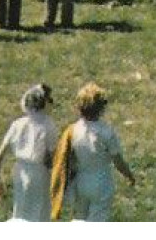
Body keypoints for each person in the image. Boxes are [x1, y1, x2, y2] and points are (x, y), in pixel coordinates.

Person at [51, 83, 136, 221]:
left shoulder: (73, 130)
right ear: (101, 108)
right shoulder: (106, 132)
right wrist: (129, 175)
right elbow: (117, 160)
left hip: (81, 180)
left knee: (79, 218)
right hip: (101, 180)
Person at [0, 84, 58, 221]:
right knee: (39, 214)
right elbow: (51, 157)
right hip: (39, 173)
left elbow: (0, 155)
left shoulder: (17, 124)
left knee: (20, 210)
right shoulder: (48, 125)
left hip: (19, 170)